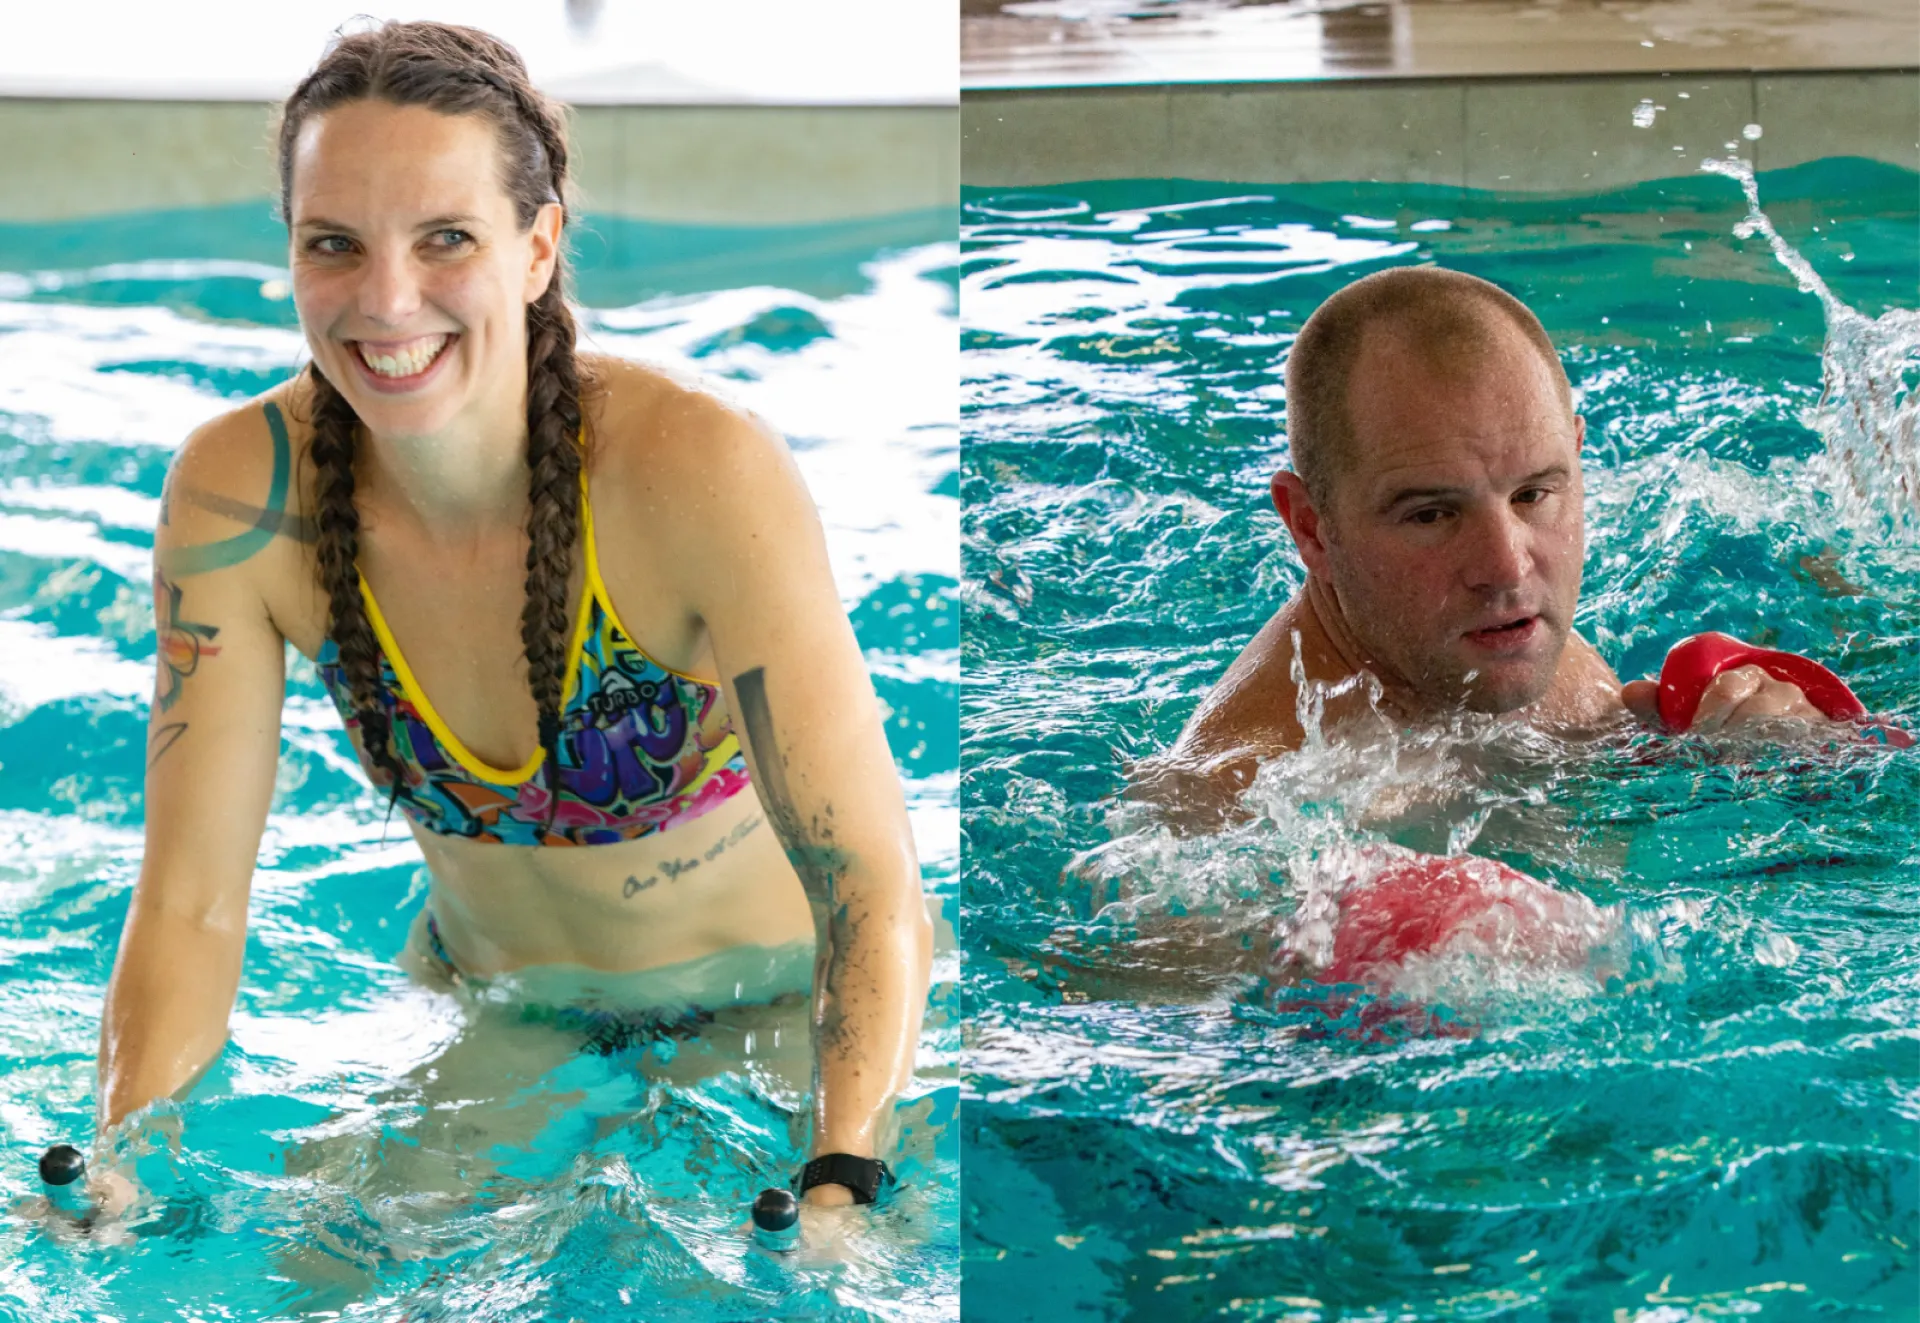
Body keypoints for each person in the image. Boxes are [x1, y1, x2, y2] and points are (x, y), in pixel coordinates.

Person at [91, 21, 930, 1219]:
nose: (386, 302)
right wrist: (124, 1158)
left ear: (537, 248)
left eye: (446, 238)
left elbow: (866, 882)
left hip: (784, 1007)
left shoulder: (696, 468)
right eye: (335, 244)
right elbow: (189, 903)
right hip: (504, 1010)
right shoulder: (241, 499)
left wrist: (845, 1170)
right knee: (315, 1271)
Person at [1133, 265, 1851, 822]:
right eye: (1431, 515)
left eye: (1533, 494)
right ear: (1311, 528)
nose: (1507, 568)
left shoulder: (1537, 665)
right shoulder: (1229, 806)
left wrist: (1774, 757)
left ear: (1576, 460)